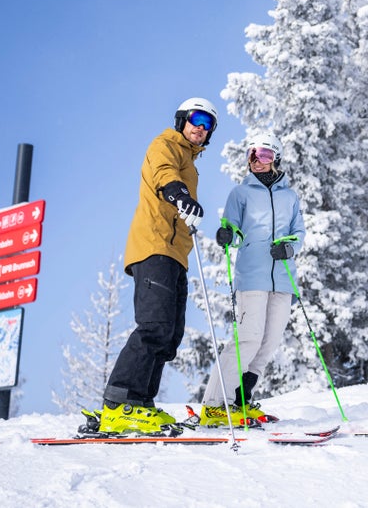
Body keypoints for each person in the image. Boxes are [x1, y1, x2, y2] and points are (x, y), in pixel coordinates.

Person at [97, 97, 218, 435]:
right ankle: (119, 404)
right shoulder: (165, 144)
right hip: (154, 247)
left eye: (208, 125)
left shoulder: (191, 164)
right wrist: (179, 194)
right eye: (196, 119)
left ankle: (141, 402)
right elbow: (163, 175)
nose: (200, 128)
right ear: (182, 119)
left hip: (175, 254)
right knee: (153, 326)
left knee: (169, 336)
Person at [198, 131, 305, 427]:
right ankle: (216, 404)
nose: (258, 161)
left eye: (266, 155)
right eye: (253, 155)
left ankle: (241, 400)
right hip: (252, 277)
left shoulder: (290, 197)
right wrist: (228, 234)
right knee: (247, 339)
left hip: (282, 279)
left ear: (276, 159)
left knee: (268, 343)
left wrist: (290, 247)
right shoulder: (240, 194)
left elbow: (299, 232)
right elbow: (232, 227)